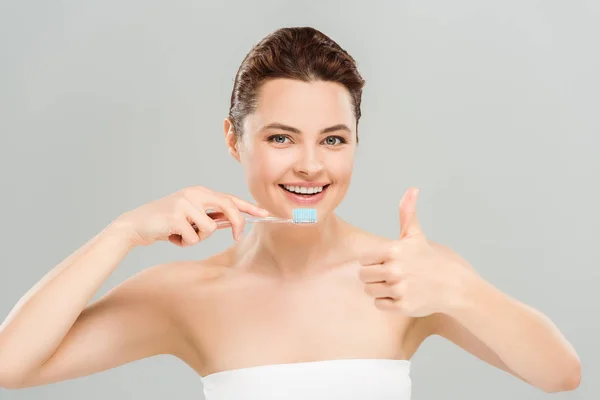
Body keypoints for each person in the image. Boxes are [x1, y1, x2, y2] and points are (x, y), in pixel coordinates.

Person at [0, 27, 581, 399]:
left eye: (333, 140)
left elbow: (561, 375)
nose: (309, 166)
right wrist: (122, 232)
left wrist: (461, 291)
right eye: (281, 138)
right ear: (234, 139)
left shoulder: (406, 276)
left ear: (356, 141)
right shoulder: (186, 293)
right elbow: (10, 366)